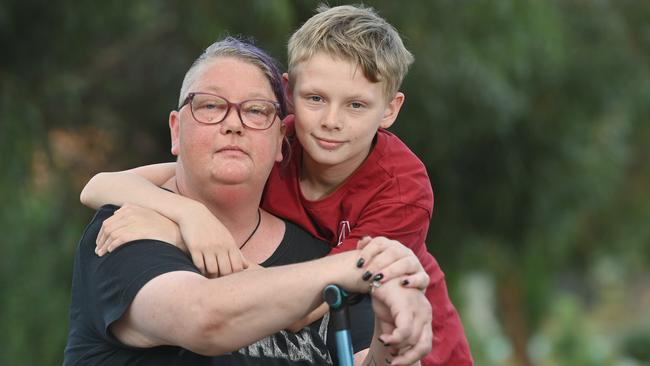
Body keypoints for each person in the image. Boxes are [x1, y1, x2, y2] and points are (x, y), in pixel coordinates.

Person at [80, 5, 473, 365]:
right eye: (315, 98)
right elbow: (102, 185)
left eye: (356, 105)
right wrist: (188, 217)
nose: (331, 120)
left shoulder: (400, 189)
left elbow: (310, 305)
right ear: (290, 94)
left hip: (422, 342)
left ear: (390, 109)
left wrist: (183, 237)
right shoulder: (273, 139)